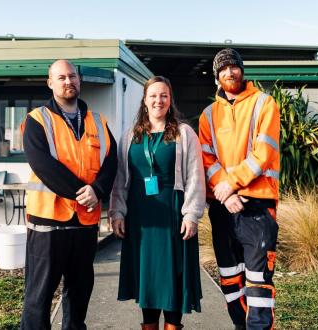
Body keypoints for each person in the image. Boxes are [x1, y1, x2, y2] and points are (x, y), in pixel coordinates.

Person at [20, 59, 118, 330]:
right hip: (47, 223)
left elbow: (111, 161)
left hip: (85, 224)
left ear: (79, 80)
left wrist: (98, 190)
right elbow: (42, 164)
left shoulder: (98, 121)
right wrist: (82, 194)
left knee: (79, 294)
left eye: (72, 76)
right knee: (38, 297)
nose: (68, 82)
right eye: (61, 77)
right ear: (50, 83)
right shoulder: (37, 120)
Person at [110, 76, 205, 330]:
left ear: (170, 99)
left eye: (163, 95)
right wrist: (117, 211)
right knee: (148, 279)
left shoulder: (184, 134)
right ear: (144, 100)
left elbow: (196, 176)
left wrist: (192, 214)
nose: (158, 100)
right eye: (153, 95)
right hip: (140, 218)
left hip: (174, 215)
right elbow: (120, 178)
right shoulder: (130, 136)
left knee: (172, 280)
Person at [198, 49, 280, 330]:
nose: (230, 72)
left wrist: (231, 186)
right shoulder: (208, 115)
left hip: (257, 207)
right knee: (231, 282)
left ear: (242, 71)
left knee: (258, 285)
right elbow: (206, 158)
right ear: (217, 77)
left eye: (234, 67)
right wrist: (227, 194)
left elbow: (264, 152)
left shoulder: (264, 104)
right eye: (223, 69)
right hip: (223, 208)